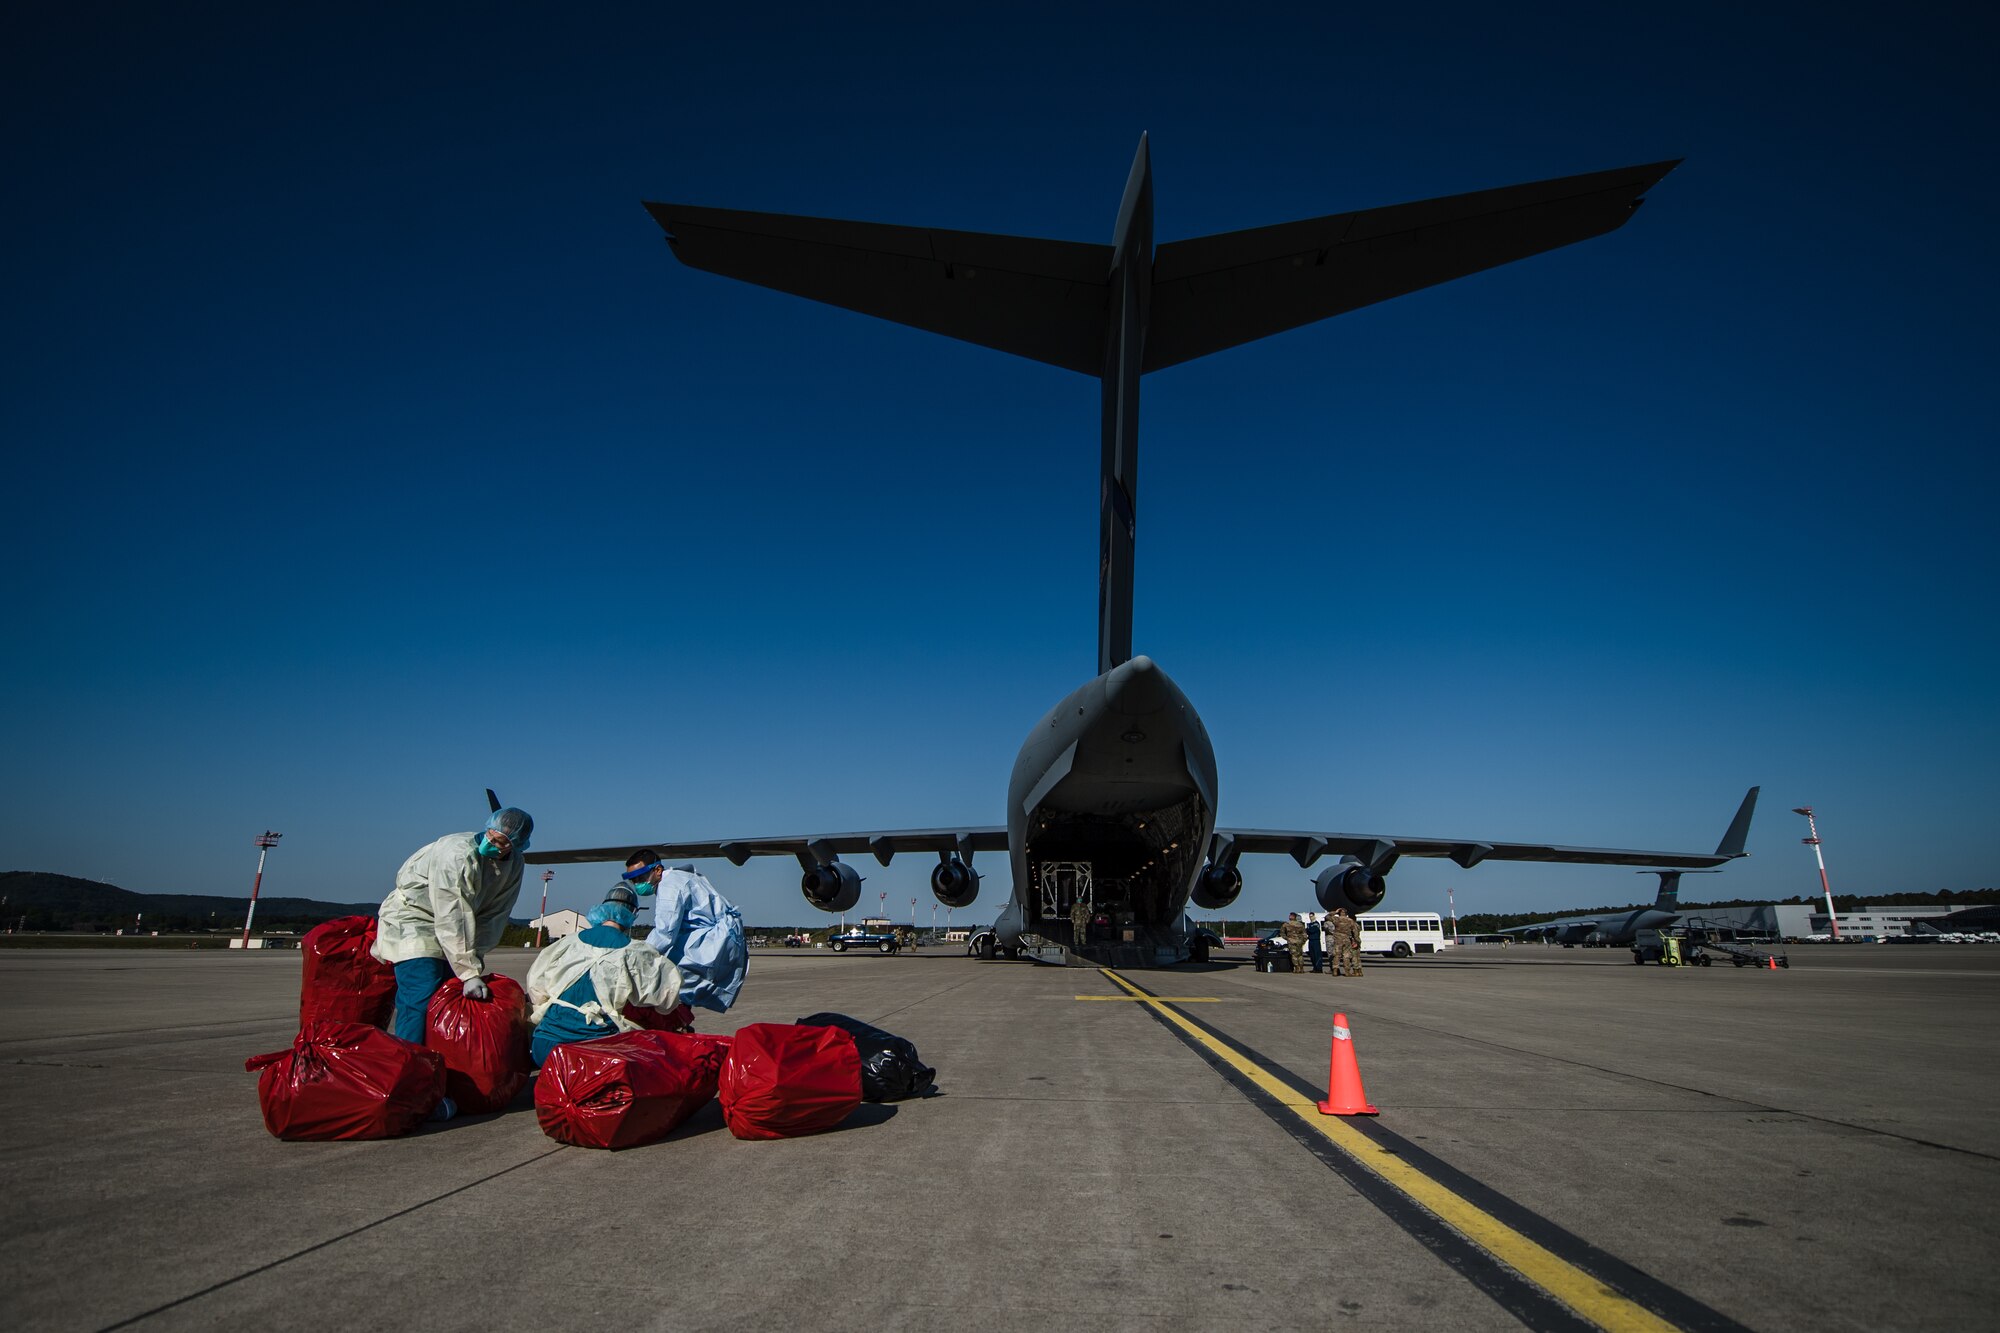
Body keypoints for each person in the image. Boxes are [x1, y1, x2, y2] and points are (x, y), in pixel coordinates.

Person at [372, 806, 533, 1045]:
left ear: (518, 845)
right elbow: (452, 912)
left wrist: (474, 959)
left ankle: (437, 1061)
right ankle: (410, 1062)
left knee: (447, 995)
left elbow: (496, 914)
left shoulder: (514, 864)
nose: (492, 843)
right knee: (421, 995)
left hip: (456, 927)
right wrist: (468, 972)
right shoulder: (457, 854)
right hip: (415, 919)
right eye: (491, 835)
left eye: (501, 842)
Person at [524, 886, 684, 1066]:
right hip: (596, 1055)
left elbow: (536, 989)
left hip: (545, 1049)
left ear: (602, 908)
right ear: (632, 913)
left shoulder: (567, 943)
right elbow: (667, 1000)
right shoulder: (637, 951)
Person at [622, 850, 748, 1012]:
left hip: (714, 939)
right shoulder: (679, 878)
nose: (637, 883)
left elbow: (665, 932)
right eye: (633, 880)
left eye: (640, 878)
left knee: (666, 975)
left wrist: (636, 956)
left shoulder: (669, 887)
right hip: (719, 935)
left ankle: (677, 1015)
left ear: (658, 870)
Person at [1332, 907, 1363, 977]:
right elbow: (1355, 932)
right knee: (1346, 955)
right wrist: (1356, 941)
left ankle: (1335, 970)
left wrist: (1335, 912)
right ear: (1346, 913)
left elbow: (1327, 917)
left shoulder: (1336, 919)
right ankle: (1347, 971)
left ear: (1339, 913)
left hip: (1338, 939)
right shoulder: (1350, 921)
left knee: (1337, 955)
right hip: (1346, 940)